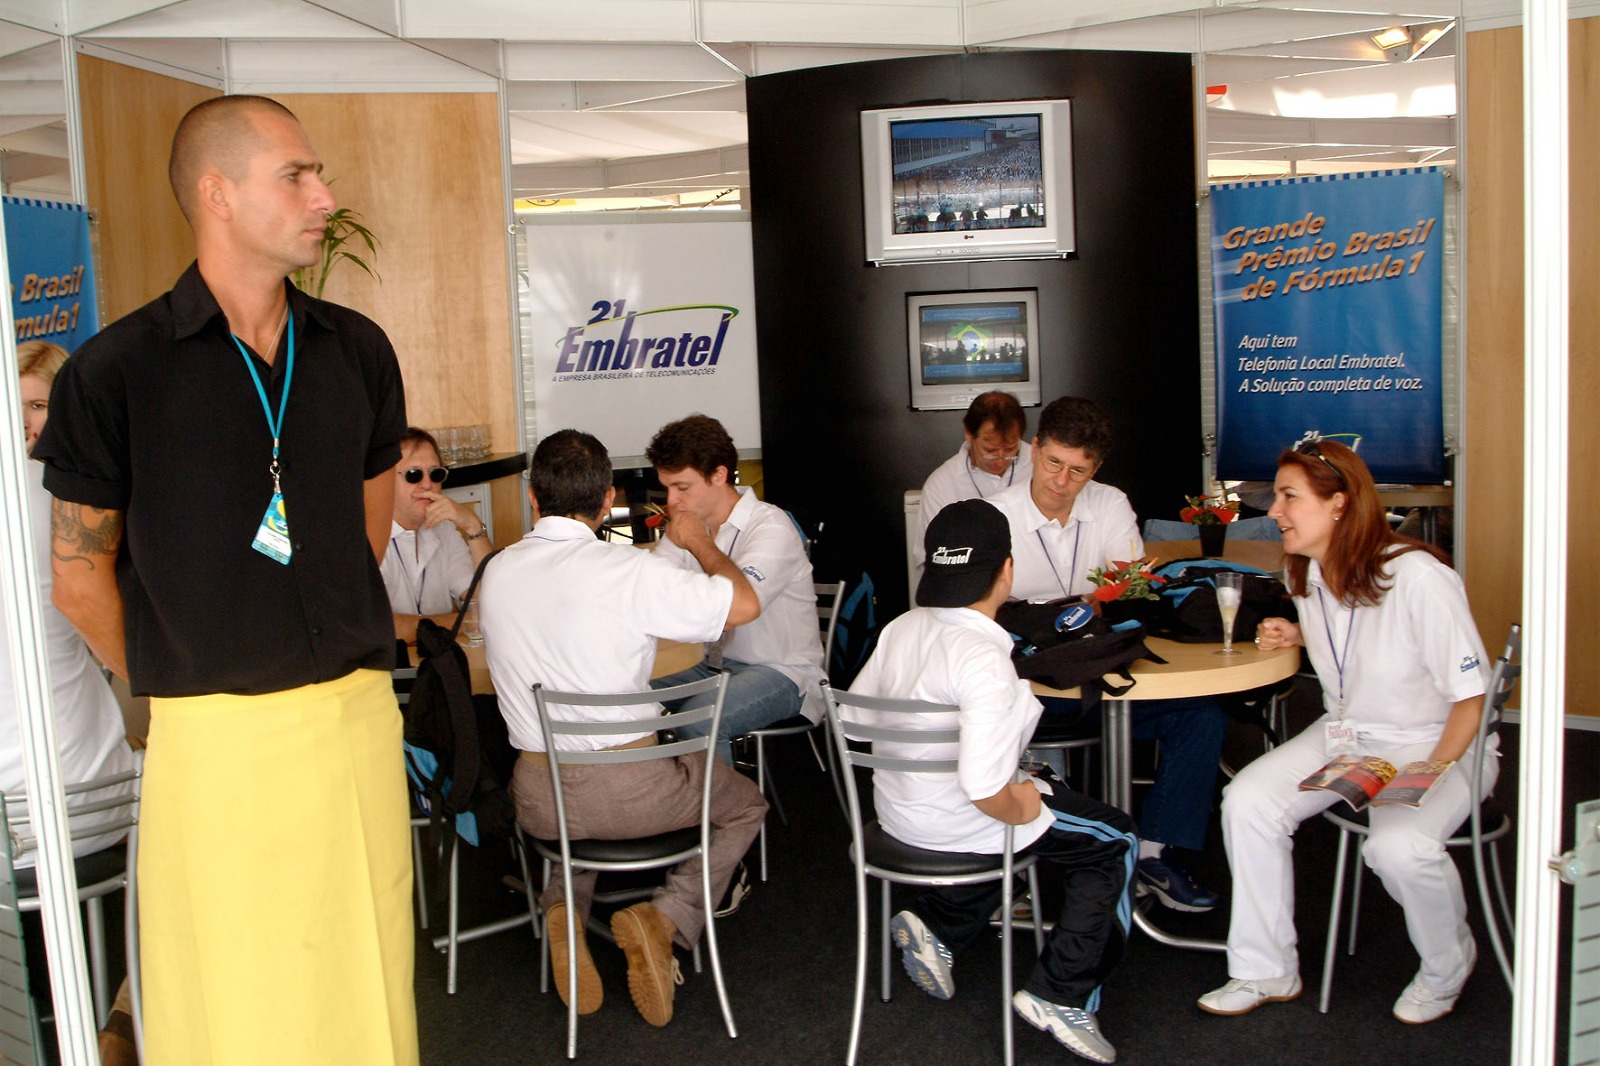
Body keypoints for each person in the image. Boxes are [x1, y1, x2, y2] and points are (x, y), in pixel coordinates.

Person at [33, 95, 416, 1064]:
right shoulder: (113, 372)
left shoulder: (356, 350)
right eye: (296, 175)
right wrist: (186, 685)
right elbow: (77, 579)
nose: (323, 195)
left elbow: (363, 537)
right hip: (213, 738)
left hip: (355, 719)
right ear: (217, 193)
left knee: (363, 969)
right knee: (237, 992)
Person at [479, 429, 768, 1027]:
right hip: (634, 796)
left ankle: (562, 906)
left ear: (533, 497)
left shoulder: (497, 571)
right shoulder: (628, 571)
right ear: (608, 497)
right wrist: (698, 541)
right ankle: (665, 918)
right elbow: (743, 605)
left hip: (538, 798)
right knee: (746, 805)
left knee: (577, 812)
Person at [1199, 439, 1492, 1024]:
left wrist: (1428, 772)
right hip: (1350, 735)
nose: (1274, 511)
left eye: (1289, 497)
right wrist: (1298, 634)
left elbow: (1472, 698)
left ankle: (1448, 965)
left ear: (1338, 504)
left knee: (1398, 848)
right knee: (1248, 802)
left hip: (1440, 741)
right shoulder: (1308, 570)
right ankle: (1266, 968)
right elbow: (1360, 642)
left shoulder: (1419, 577)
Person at [852, 499, 1136, 1064]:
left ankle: (939, 925)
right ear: (1007, 569)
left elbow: (855, 719)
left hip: (897, 817)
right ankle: (1063, 993)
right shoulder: (985, 655)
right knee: (1114, 838)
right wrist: (1027, 804)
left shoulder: (902, 627)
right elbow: (985, 792)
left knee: (1035, 808)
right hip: (966, 819)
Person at [988, 396, 1228, 912]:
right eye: (1053, 462)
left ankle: (1155, 852)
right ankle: (1021, 866)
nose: (1060, 481)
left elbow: (1131, 590)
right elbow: (979, 615)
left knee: (1202, 716)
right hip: (1032, 692)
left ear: (1095, 468)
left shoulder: (1110, 503)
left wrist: (1047, 611)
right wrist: (1090, 602)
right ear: (1034, 449)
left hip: (1103, 679)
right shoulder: (995, 516)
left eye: (1077, 471)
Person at [2, 341, 139, 1063]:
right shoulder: (66, 500)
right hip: (86, 810)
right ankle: (122, 1016)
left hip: (20, 829)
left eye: (40, 407)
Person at [646, 414, 824, 764]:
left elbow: (734, 611)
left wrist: (698, 543)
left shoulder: (771, 527)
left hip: (782, 671)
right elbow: (653, 591)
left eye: (682, 487)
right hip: (711, 665)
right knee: (622, 691)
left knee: (698, 719)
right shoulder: (688, 525)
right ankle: (645, 793)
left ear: (719, 475)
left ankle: (724, 802)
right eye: (667, 488)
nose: (671, 500)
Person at [381, 426, 493, 645]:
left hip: (437, 660)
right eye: (414, 475)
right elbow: (382, 628)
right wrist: (464, 622)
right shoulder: (365, 539)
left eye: (436, 474)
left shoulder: (443, 529)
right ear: (384, 481)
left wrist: (472, 526)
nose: (427, 484)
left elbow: (488, 600)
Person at [913, 390, 1033, 571]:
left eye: (1010, 450)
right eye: (990, 450)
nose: (1000, 460)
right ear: (969, 434)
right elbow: (929, 559)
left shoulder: (1040, 465)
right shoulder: (942, 484)